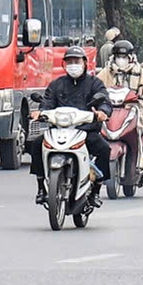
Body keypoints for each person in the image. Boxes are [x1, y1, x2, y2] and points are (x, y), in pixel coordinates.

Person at [33, 42, 114, 199]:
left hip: (86, 131)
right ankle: (41, 187)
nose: (73, 65)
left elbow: (105, 101)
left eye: (76, 61)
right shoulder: (57, 85)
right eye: (69, 62)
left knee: (104, 149)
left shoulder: (94, 83)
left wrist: (103, 112)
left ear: (85, 62)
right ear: (64, 64)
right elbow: (47, 102)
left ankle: (96, 189)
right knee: (37, 144)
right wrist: (40, 112)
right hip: (59, 130)